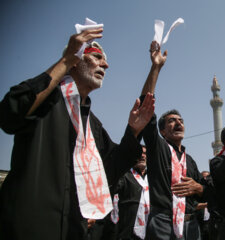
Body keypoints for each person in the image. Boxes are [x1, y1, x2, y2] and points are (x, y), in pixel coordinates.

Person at [0, 27, 155, 240]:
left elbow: (111, 170)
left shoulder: (94, 126)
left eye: (106, 60)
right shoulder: (47, 100)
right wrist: (65, 61)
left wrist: (134, 130)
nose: (106, 64)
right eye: (97, 57)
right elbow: (11, 112)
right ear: (76, 61)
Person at [140, 41, 207, 239]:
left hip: (191, 224)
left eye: (181, 120)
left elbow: (206, 190)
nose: (178, 123)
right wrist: (156, 67)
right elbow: (145, 107)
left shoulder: (190, 160)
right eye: (171, 121)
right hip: (163, 223)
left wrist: (199, 188)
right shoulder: (157, 147)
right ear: (161, 130)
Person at [114, 145, 149, 240]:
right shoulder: (124, 175)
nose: (142, 156)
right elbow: (109, 191)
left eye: (145, 153)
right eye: (139, 153)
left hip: (151, 231)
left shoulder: (153, 178)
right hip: (128, 233)